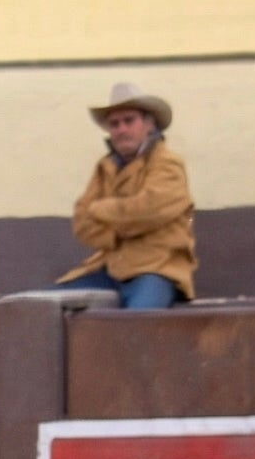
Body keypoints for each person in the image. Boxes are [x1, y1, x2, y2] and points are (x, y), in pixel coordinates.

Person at [54, 82, 195, 309]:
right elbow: (82, 223)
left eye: (129, 121)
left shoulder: (168, 164)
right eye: (114, 124)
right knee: (39, 307)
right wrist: (124, 229)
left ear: (149, 124)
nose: (121, 129)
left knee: (134, 326)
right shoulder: (105, 167)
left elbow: (149, 211)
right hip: (108, 270)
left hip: (156, 270)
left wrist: (100, 211)